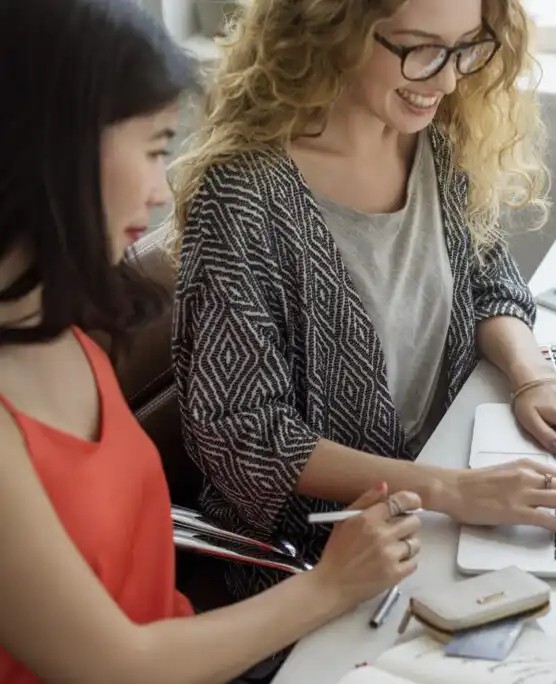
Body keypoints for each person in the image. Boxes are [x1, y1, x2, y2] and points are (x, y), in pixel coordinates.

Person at [0, 1, 421, 682]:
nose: (160, 189)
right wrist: (329, 585)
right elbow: (117, 666)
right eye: (152, 147)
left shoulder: (62, 326)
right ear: (54, 148)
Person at [169, 0, 556, 602]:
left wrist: (534, 380)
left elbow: (488, 277)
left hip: (447, 486)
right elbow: (242, 434)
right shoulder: (243, 198)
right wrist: (450, 490)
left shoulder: (435, 141)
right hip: (324, 557)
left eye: (464, 48)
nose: (446, 80)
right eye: (420, 49)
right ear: (332, 31)